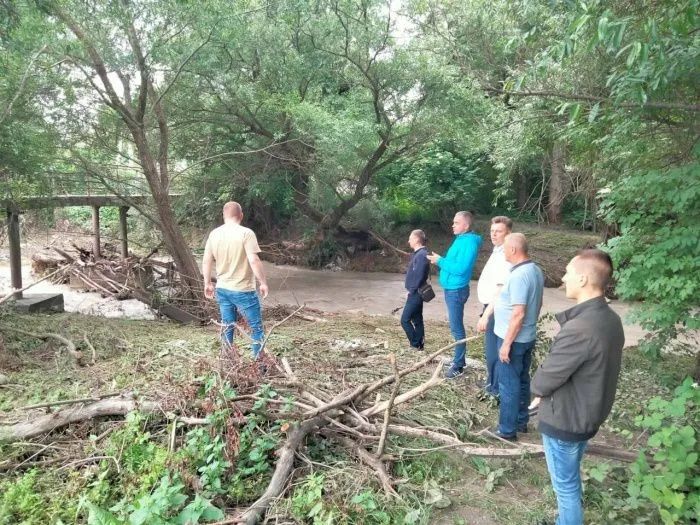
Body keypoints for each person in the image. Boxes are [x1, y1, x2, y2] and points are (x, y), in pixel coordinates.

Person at [530, 249, 624, 525]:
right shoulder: (609, 319)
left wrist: (538, 391)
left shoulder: (581, 327)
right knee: (570, 479)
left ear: (583, 279)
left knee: (566, 489)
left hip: (567, 421)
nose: (563, 277)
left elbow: (545, 378)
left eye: (568, 272)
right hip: (587, 414)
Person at [492, 233, 544, 440]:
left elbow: (518, 312)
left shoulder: (519, 276)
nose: (503, 250)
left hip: (513, 340)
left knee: (508, 385)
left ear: (513, 249)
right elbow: (538, 304)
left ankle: (506, 430)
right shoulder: (535, 270)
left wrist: (506, 344)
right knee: (522, 380)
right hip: (526, 337)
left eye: (505, 247)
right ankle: (521, 421)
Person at [203, 201, 269, 359]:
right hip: (243, 289)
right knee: (256, 328)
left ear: (223, 216)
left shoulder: (214, 234)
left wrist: (207, 283)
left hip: (223, 289)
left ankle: (227, 362)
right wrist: (263, 282)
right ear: (241, 215)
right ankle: (260, 366)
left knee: (227, 325)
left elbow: (206, 261)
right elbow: (254, 260)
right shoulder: (246, 233)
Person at [427, 211, 482, 379]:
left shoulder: (469, 243)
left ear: (466, 225)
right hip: (452, 288)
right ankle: (459, 361)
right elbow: (455, 263)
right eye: (453, 222)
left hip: (456, 290)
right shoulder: (461, 239)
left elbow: (461, 269)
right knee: (455, 327)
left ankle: (458, 365)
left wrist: (440, 261)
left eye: (456, 222)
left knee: (457, 328)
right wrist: (440, 259)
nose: (453, 225)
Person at [476, 216, 513, 397]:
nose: (494, 234)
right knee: (490, 349)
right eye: (492, 231)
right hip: (489, 306)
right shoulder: (497, 250)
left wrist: (486, 315)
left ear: (508, 233)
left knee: (494, 350)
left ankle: (495, 390)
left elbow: (499, 290)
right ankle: (492, 383)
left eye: (498, 231)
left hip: (495, 309)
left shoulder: (506, 255)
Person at [401, 229, 430, 350]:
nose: (408, 241)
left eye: (410, 238)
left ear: (417, 239)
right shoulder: (419, 254)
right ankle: (420, 344)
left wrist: (411, 291)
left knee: (405, 320)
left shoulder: (422, 255)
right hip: (416, 292)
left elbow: (419, 275)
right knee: (417, 319)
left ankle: (415, 343)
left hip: (416, 293)